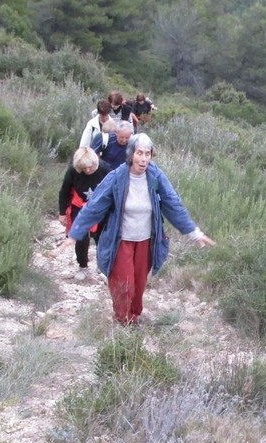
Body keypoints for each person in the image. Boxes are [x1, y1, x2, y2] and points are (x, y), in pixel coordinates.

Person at [69, 133, 215, 325]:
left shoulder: (156, 176)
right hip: (121, 240)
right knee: (123, 283)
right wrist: (74, 234)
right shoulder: (117, 177)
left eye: (148, 154)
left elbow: (173, 204)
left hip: (146, 241)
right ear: (130, 155)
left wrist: (194, 233)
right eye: (139, 153)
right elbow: (95, 205)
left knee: (138, 285)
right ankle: (123, 320)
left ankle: (134, 316)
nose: (144, 159)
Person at [58, 147, 111, 281]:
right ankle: (83, 266)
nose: (87, 170)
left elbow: (115, 191)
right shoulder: (73, 171)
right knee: (80, 236)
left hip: (101, 207)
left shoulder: (105, 169)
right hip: (79, 206)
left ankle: (104, 267)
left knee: (102, 237)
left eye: (90, 167)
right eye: (83, 168)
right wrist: (62, 213)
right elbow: (64, 191)